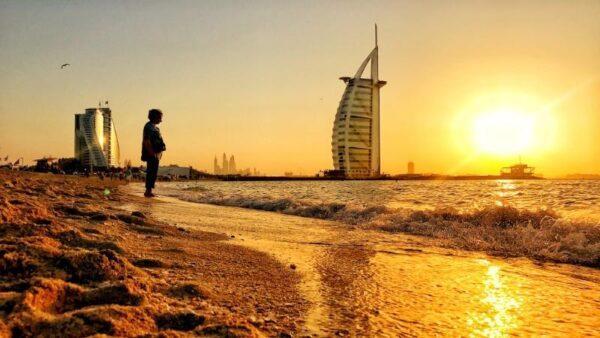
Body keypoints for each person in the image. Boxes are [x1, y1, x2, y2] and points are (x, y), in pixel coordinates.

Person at [141, 109, 166, 197]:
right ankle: (148, 191)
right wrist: (151, 152)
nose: (161, 120)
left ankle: (149, 190)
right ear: (155, 117)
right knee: (151, 172)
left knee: (153, 172)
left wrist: (159, 153)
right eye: (160, 117)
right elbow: (146, 141)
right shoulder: (148, 127)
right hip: (151, 153)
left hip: (156, 154)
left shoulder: (155, 128)